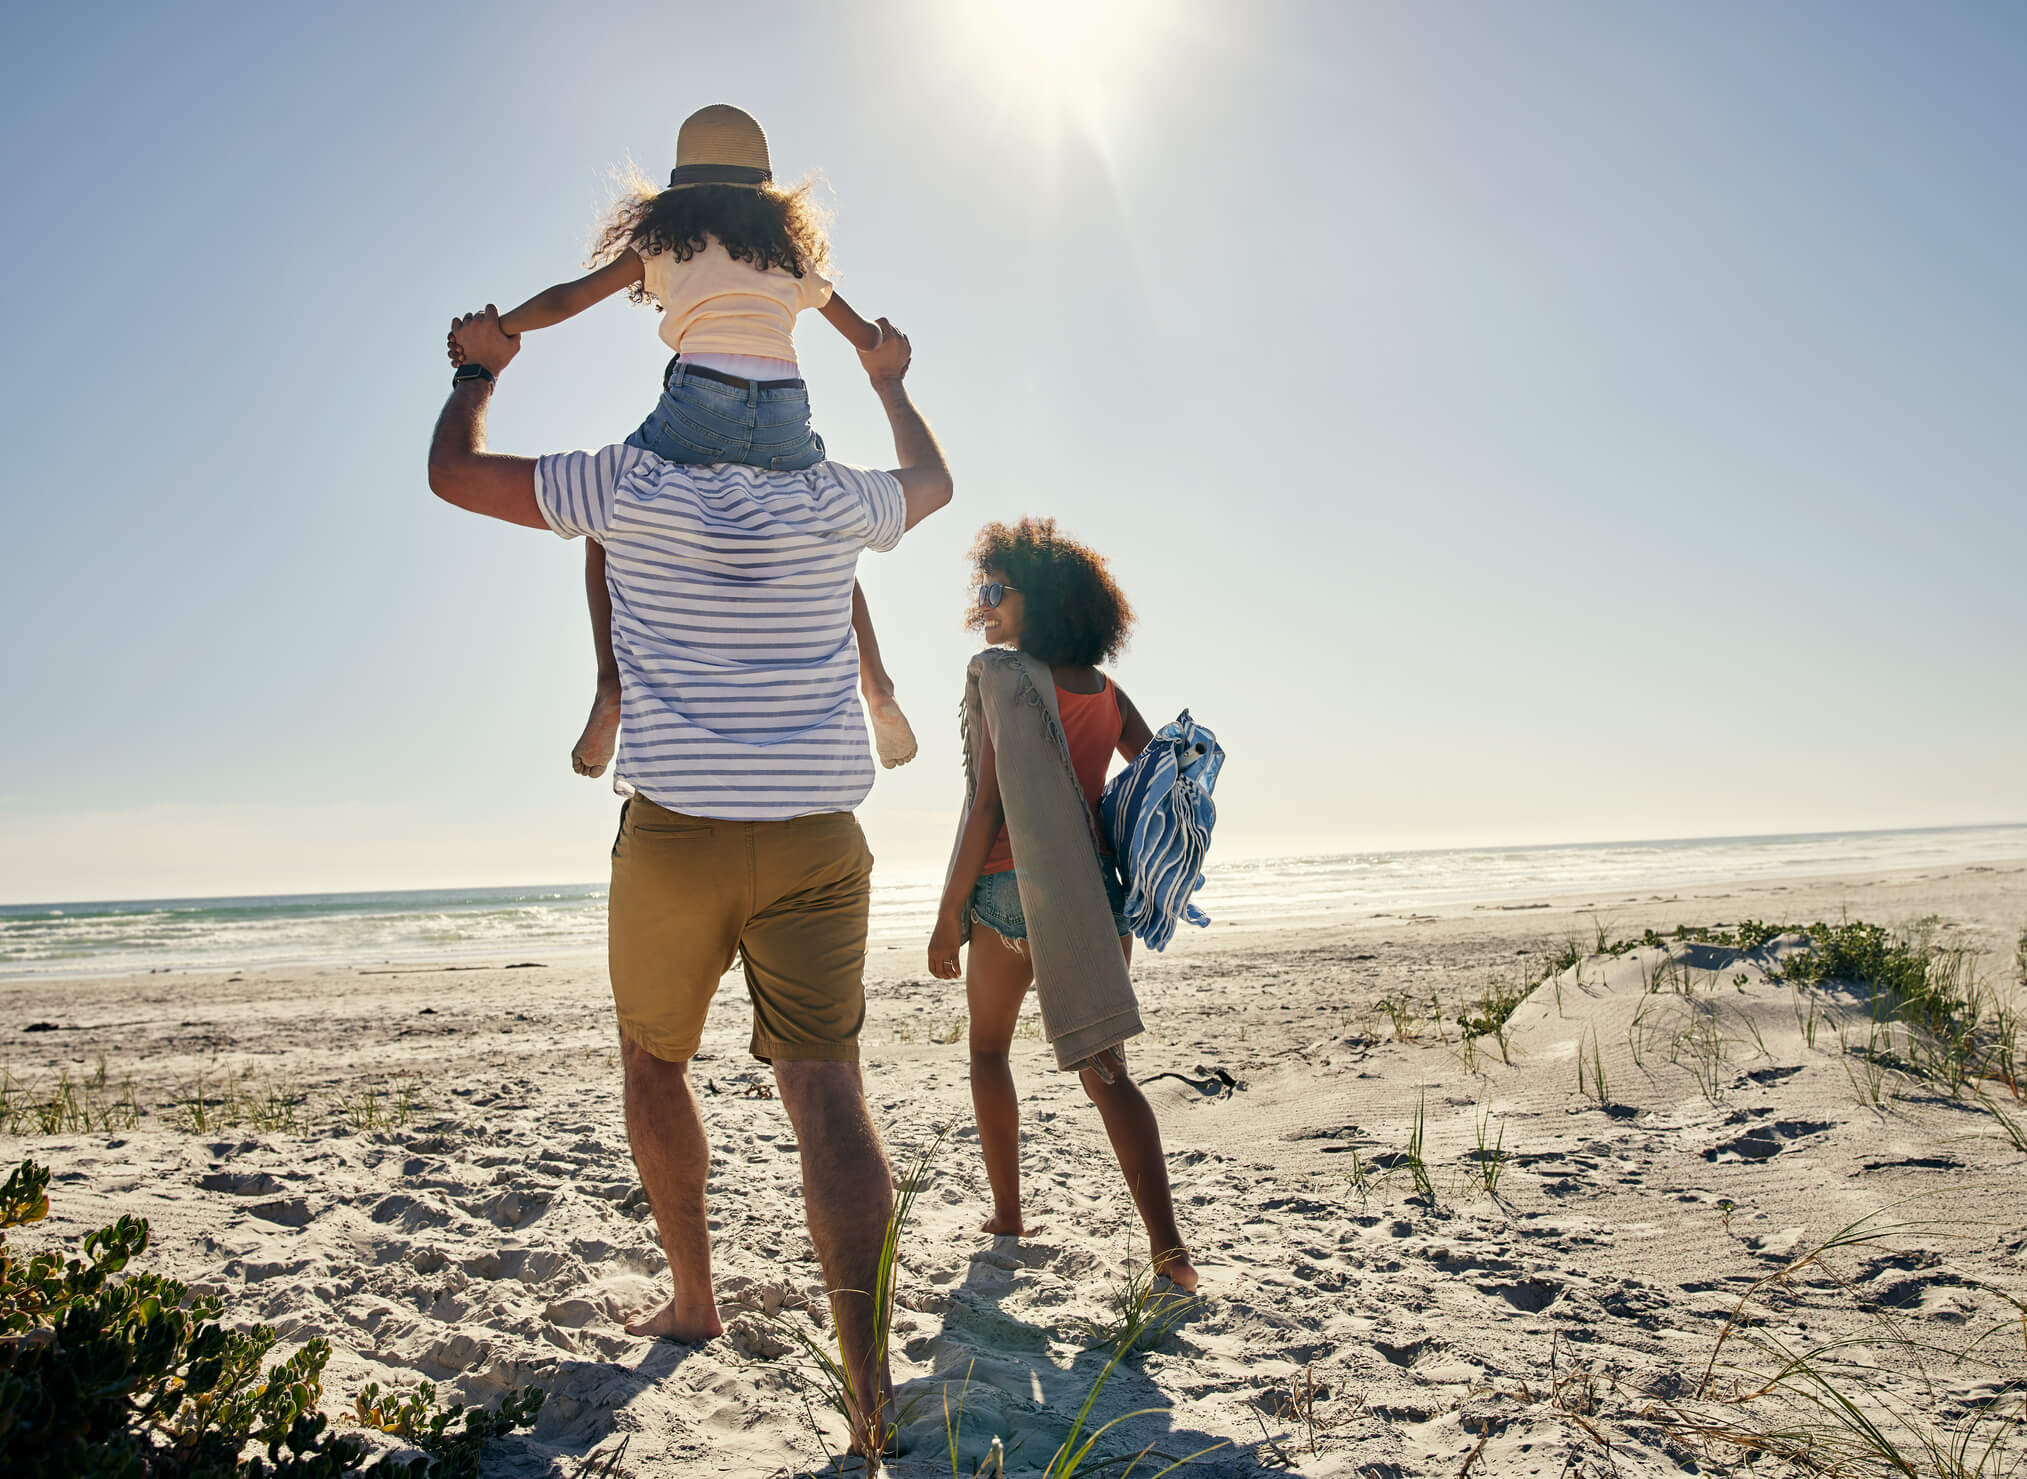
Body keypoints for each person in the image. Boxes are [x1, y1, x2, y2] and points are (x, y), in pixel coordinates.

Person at [428, 301, 951, 1457]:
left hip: (675, 833)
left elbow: (452, 472)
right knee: (827, 1089)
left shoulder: (626, 486)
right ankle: (868, 1400)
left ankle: (695, 1299)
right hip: (816, 834)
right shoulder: (828, 499)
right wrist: (888, 375)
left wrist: (480, 367)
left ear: (674, 385)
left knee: (653, 1059)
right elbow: (932, 478)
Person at [449, 103, 918, 779]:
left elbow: (565, 300)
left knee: (603, 519)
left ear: (679, 194)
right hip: (786, 413)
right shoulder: (791, 259)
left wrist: (495, 334)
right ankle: (878, 686)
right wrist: (888, 353)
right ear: (768, 197)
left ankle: (611, 687)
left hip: (701, 405)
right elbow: (862, 338)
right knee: (829, 536)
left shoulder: (671, 246)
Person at [927, 519, 1199, 1293]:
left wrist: (949, 912)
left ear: (1036, 600)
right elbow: (1158, 779)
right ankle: (1169, 1251)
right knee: (1107, 1071)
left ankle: (1008, 1214)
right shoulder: (1108, 692)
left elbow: (985, 806)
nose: (981, 607)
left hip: (1006, 893)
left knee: (987, 1053)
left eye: (993, 591)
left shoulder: (1000, 678)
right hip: (1091, 899)